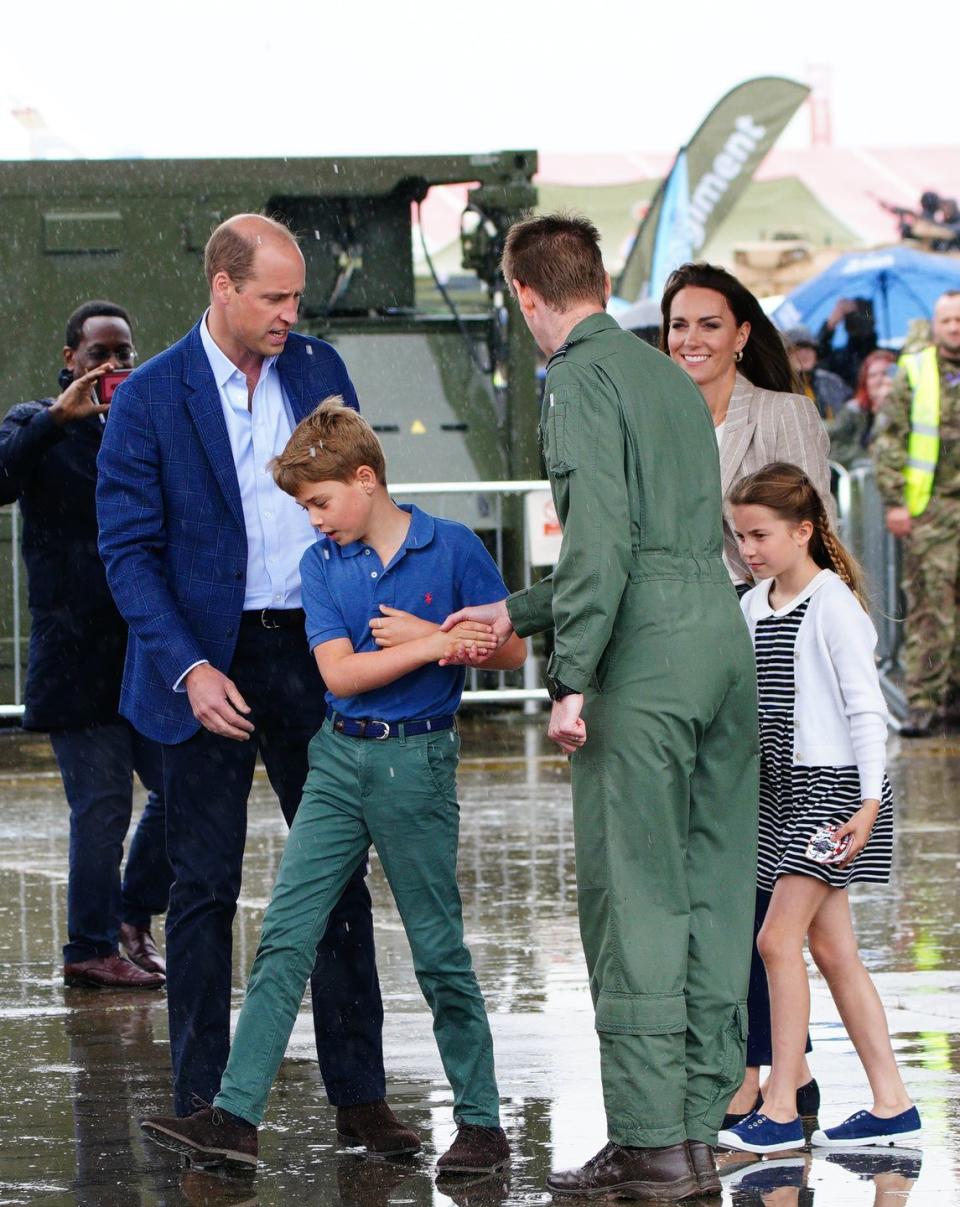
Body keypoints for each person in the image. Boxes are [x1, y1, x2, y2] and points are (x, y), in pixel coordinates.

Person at [444, 215, 759, 1201]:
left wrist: (568, 670)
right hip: (717, 639)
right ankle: (701, 1130)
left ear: (528, 296)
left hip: (645, 660)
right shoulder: (669, 373)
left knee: (634, 896)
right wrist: (517, 608)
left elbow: (603, 541)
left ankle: (648, 1139)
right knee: (712, 890)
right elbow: (664, 537)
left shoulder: (576, 374)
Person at [138, 399, 526, 1174]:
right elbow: (341, 672)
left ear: (365, 478)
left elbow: (510, 651)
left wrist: (434, 639)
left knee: (437, 947)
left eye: (319, 503)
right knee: (286, 934)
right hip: (338, 759)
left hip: (417, 763)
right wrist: (442, 642)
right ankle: (235, 1117)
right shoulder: (321, 567)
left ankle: (481, 1123)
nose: (313, 521)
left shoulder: (451, 548)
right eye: (304, 508)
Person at [96, 215, 401, 1150]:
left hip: (312, 652)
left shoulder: (318, 368)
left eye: (296, 296)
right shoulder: (150, 398)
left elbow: (363, 496)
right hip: (202, 662)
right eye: (273, 296)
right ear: (222, 287)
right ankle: (205, 1107)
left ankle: (361, 1100)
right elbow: (128, 551)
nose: (289, 313)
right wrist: (188, 667)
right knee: (203, 889)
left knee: (337, 879)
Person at [719, 462, 921, 1154]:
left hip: (833, 792)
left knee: (776, 939)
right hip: (780, 792)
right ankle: (892, 1101)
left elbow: (868, 712)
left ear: (803, 530)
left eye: (761, 534)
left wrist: (869, 803)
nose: (749, 549)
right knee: (833, 950)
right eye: (740, 535)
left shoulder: (834, 603)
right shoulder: (753, 605)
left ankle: (779, 1108)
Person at [0, 300, 170, 990]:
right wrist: (53, 422)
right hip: (76, 659)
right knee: (101, 809)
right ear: (69, 359)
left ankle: (131, 915)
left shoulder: (144, 422)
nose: (111, 366)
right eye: (98, 354)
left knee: (184, 788)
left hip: (145, 654)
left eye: (122, 353)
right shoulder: (33, 424)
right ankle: (89, 947)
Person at [660, 262, 834, 594]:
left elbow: (816, 531)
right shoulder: (651, 422)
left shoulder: (783, 413)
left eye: (709, 325)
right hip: (669, 613)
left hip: (756, 606)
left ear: (741, 335)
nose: (691, 340)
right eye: (679, 325)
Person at [872, 290, 960, 738]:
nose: (955, 328)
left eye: (959, 320)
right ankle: (924, 702)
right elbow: (889, 439)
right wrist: (895, 501)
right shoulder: (916, 370)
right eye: (947, 320)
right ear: (936, 323)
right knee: (930, 608)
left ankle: (953, 699)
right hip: (932, 510)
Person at [827, 350, 896, 469]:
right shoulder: (853, 411)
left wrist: (886, 408)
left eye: (884, 373)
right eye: (872, 375)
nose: (879, 380)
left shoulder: (902, 410)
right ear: (865, 382)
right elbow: (836, 447)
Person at [785, 325, 850, 421]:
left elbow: (850, 414)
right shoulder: (783, 391)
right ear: (786, 355)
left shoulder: (829, 380)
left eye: (808, 347)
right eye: (797, 348)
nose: (804, 353)